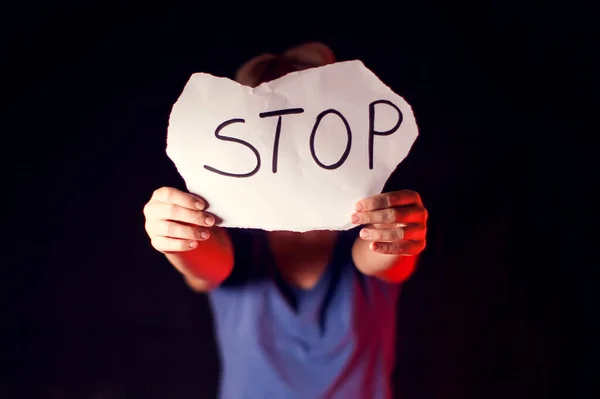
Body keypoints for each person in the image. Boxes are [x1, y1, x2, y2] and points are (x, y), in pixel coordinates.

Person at [143, 42, 428, 398]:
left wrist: (400, 232)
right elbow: (203, 263)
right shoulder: (237, 239)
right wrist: (171, 228)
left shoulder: (364, 228)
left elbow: (385, 257)